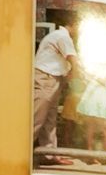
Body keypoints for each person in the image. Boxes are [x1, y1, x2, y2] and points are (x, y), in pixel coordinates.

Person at [32, 17, 76, 159]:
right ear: (75, 25)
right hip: (46, 77)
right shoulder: (63, 37)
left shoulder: (60, 36)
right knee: (38, 116)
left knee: (49, 119)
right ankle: (20, 150)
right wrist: (74, 75)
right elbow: (74, 61)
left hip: (53, 78)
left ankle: (49, 155)